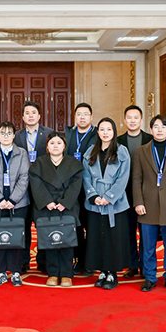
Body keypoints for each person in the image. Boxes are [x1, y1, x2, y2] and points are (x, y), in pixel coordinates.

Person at [132, 115, 166, 292]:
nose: (159, 130)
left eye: (163, 127)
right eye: (156, 126)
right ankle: (150, 277)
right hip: (147, 205)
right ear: (151, 130)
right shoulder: (141, 151)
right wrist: (138, 202)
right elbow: (136, 179)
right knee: (148, 246)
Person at [82, 117, 132, 290]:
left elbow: (123, 178)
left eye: (109, 129)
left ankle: (112, 273)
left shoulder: (122, 151)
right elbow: (86, 176)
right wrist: (93, 196)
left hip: (115, 204)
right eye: (102, 129)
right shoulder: (90, 151)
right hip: (95, 203)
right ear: (97, 132)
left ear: (114, 132)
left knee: (113, 239)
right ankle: (102, 271)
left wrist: (109, 197)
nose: (105, 133)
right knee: (97, 238)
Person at [28, 132, 83, 287]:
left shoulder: (73, 164)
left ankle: (66, 274)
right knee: (50, 241)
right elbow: (36, 184)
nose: (55, 146)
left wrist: (65, 202)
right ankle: (52, 273)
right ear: (47, 146)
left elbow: (76, 185)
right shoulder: (39, 163)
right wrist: (48, 202)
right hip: (47, 206)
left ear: (64, 146)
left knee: (67, 241)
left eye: (59, 143)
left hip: (67, 206)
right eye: (52, 143)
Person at [0, 121, 30, 287]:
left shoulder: (22, 153)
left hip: (18, 204)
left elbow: (24, 177)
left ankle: (16, 271)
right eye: (3, 133)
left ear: (14, 135)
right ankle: (1, 272)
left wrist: (13, 200)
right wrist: (0, 200)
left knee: (17, 237)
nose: (6, 136)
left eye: (9, 133)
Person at [14, 100, 52, 273]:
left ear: (39, 116)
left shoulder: (49, 134)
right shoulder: (16, 136)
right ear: (23, 117)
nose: (30, 116)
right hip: (21, 186)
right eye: (27, 113)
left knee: (42, 224)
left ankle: (43, 260)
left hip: (43, 186)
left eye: (33, 113)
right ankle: (23, 260)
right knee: (23, 225)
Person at [118, 105, 152, 278]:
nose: (132, 121)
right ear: (124, 120)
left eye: (136, 117)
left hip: (146, 192)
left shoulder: (150, 139)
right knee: (128, 231)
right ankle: (132, 264)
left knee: (146, 231)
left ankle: (146, 266)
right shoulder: (118, 141)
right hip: (124, 193)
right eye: (129, 117)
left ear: (141, 120)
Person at [65, 102, 97, 276]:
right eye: (79, 114)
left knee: (91, 226)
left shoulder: (97, 134)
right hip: (72, 187)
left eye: (85, 114)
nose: (82, 117)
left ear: (91, 117)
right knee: (75, 226)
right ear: (75, 116)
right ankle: (78, 260)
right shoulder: (68, 134)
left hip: (91, 187)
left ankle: (90, 261)